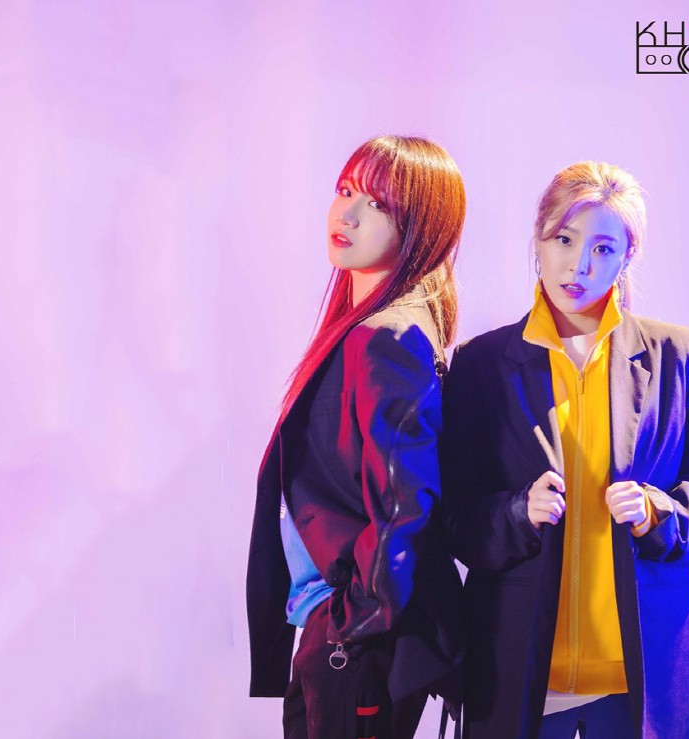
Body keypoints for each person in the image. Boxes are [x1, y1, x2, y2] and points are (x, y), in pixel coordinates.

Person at [440, 161, 689, 739]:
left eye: (602, 248)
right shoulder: (480, 364)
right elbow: (449, 513)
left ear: (626, 257)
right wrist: (516, 513)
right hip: (516, 667)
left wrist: (660, 512)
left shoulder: (679, 355)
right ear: (538, 239)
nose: (578, 265)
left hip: (644, 674)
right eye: (564, 239)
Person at [247, 135, 467, 739]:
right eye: (346, 191)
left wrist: (353, 620)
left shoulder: (388, 338)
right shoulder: (369, 329)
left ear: (420, 228)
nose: (347, 214)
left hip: (360, 639)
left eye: (377, 205)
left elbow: (406, 502)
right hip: (342, 631)